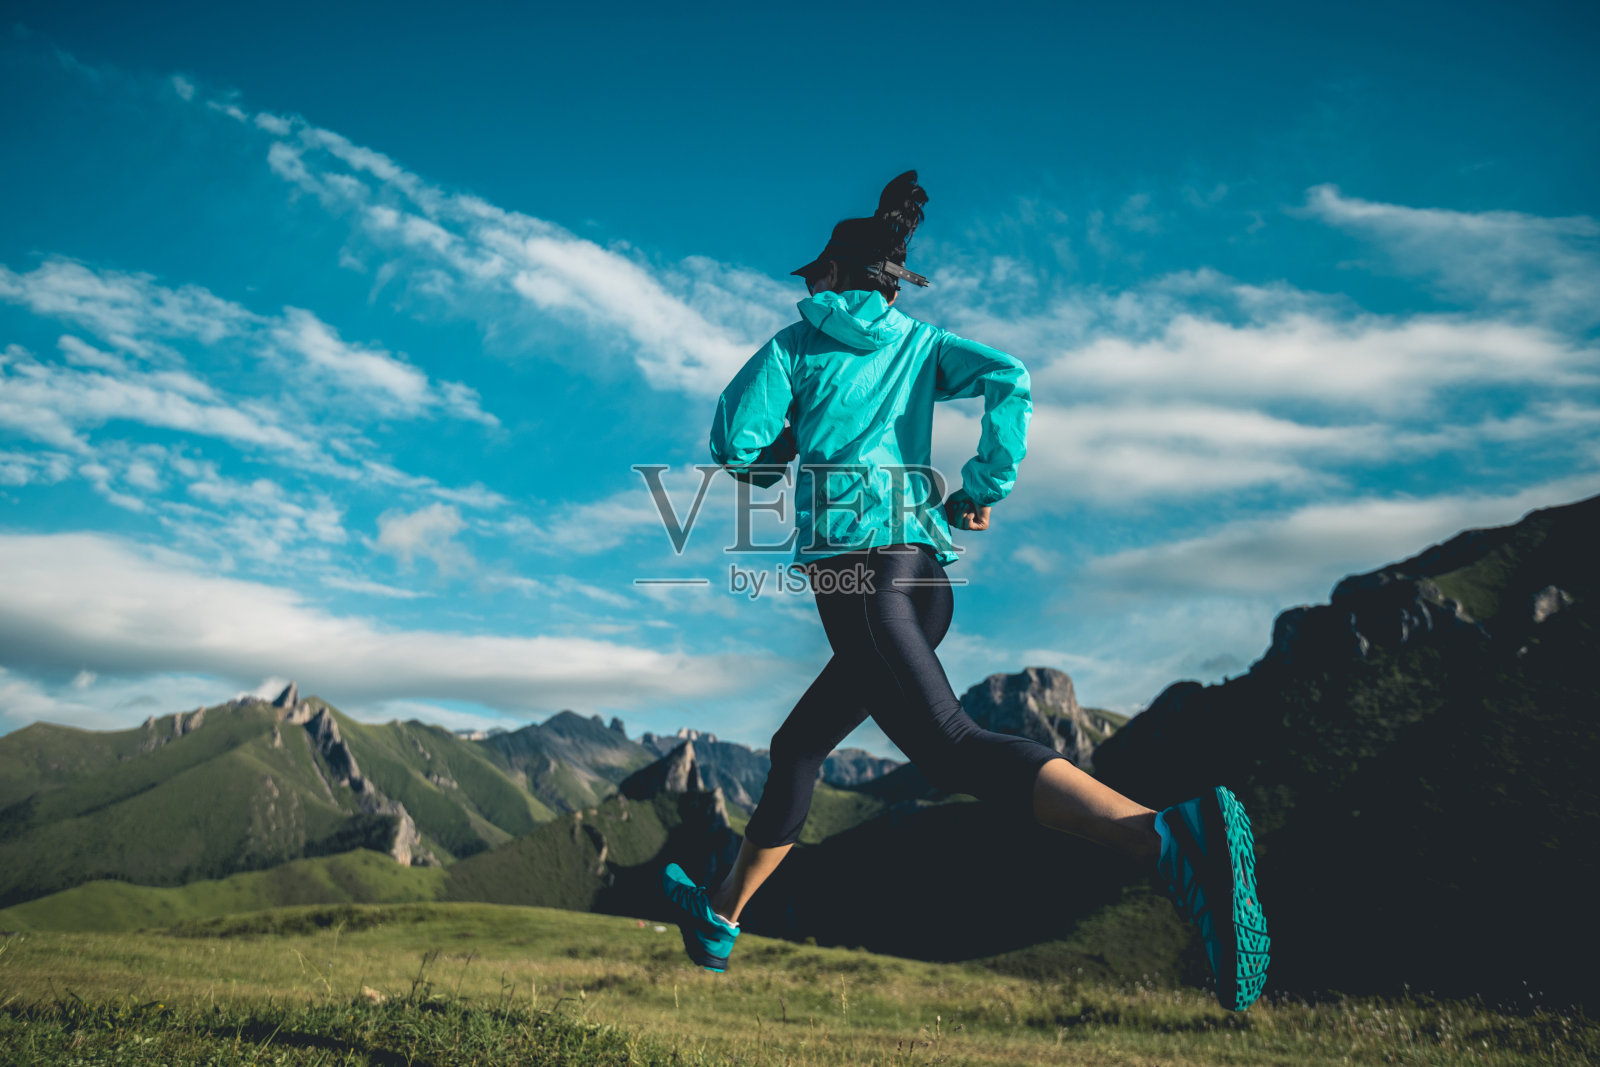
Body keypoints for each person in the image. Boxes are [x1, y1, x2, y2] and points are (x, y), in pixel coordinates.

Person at [659, 172, 1269, 1011]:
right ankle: (721, 919)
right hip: (924, 576)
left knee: (948, 742)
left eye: (812, 275)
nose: (805, 286)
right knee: (799, 745)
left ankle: (1168, 839)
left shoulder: (794, 348)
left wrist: (793, 436)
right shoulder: (920, 343)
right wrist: (982, 484)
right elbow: (1009, 377)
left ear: (833, 274)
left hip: (859, 574)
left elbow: (735, 444)